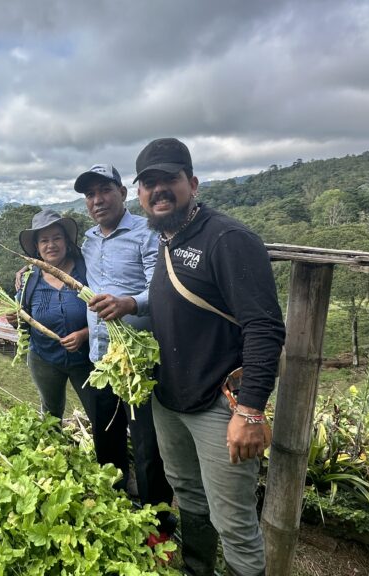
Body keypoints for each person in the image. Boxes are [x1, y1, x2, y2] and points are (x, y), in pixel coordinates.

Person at [135, 138, 285, 576]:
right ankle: (196, 569)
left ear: (193, 184)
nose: (159, 190)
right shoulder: (168, 237)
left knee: (234, 521)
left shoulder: (227, 239)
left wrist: (252, 410)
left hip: (221, 406)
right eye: (149, 183)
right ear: (140, 194)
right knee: (189, 495)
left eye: (170, 180)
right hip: (170, 402)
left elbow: (264, 327)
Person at [73, 164, 175, 540]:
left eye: (104, 190)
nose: (97, 200)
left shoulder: (147, 233)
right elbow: (71, 271)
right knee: (106, 438)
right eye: (90, 195)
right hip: (101, 360)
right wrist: (30, 274)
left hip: (136, 360)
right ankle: (113, 509)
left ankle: (157, 526)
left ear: (123, 193)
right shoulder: (88, 239)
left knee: (147, 445)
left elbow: (161, 290)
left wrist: (129, 303)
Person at [15, 209, 91, 419]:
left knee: (99, 411)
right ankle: (53, 450)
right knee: (50, 413)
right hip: (44, 358)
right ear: (37, 248)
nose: (51, 245)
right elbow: (23, 321)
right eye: (44, 241)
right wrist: (16, 319)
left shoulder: (86, 272)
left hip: (86, 358)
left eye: (57, 238)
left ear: (66, 241)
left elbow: (103, 311)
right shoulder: (29, 278)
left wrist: (84, 334)